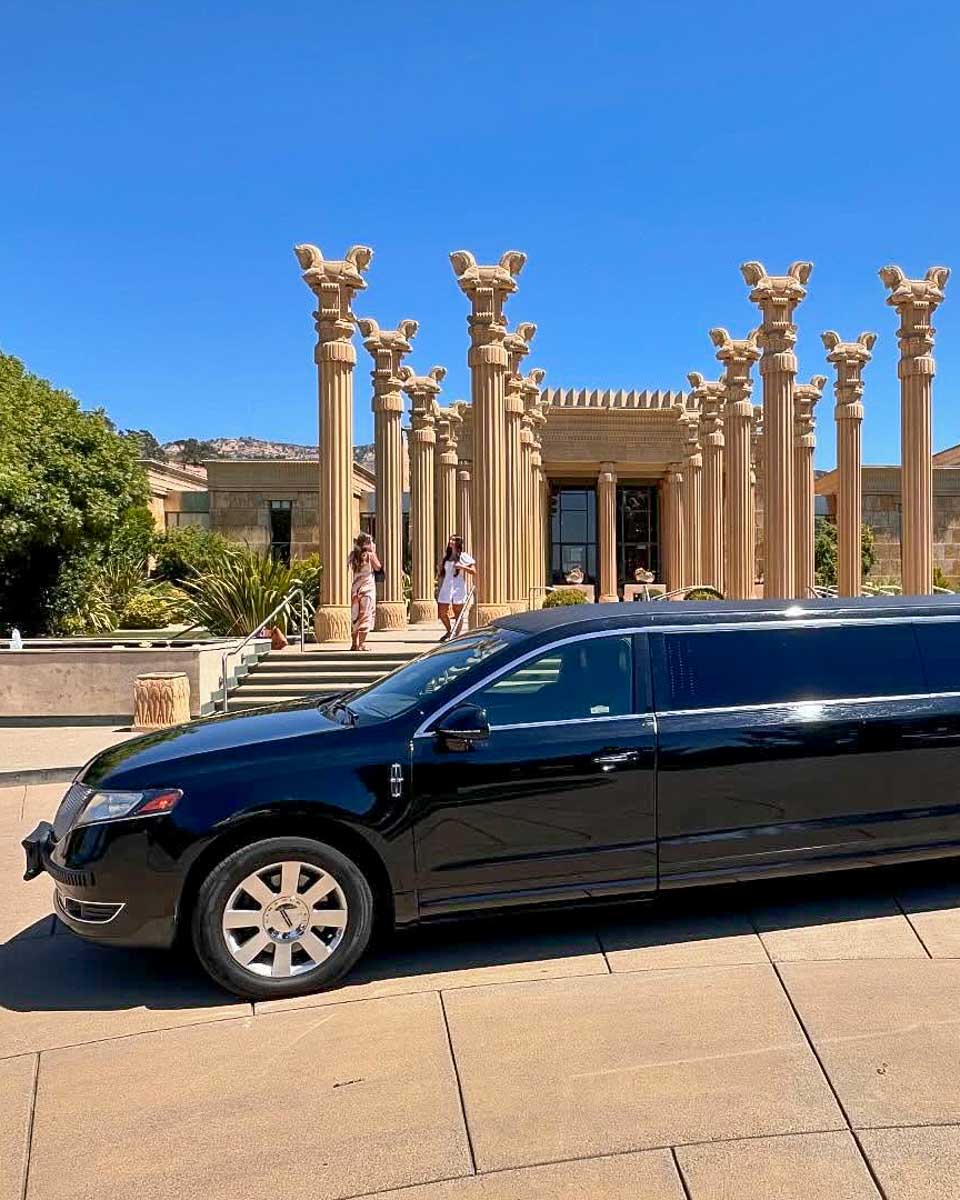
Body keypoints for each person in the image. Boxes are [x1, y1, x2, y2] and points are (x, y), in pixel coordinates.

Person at [436, 534, 476, 642]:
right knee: (442, 612)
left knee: (458, 612)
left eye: (453, 540)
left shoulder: (463, 556)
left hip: (458, 586)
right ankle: (449, 630)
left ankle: (455, 635)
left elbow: (473, 571)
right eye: (450, 540)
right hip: (447, 585)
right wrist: (439, 571)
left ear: (458, 543)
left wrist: (461, 566)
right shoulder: (447, 556)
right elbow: (444, 573)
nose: (450, 541)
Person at [349, 533, 381, 651]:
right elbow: (378, 567)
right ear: (366, 543)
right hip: (367, 588)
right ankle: (361, 644)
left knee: (355, 615)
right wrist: (374, 552)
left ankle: (354, 643)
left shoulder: (353, 555)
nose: (372, 544)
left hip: (355, 588)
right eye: (371, 541)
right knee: (366, 615)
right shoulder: (370, 555)